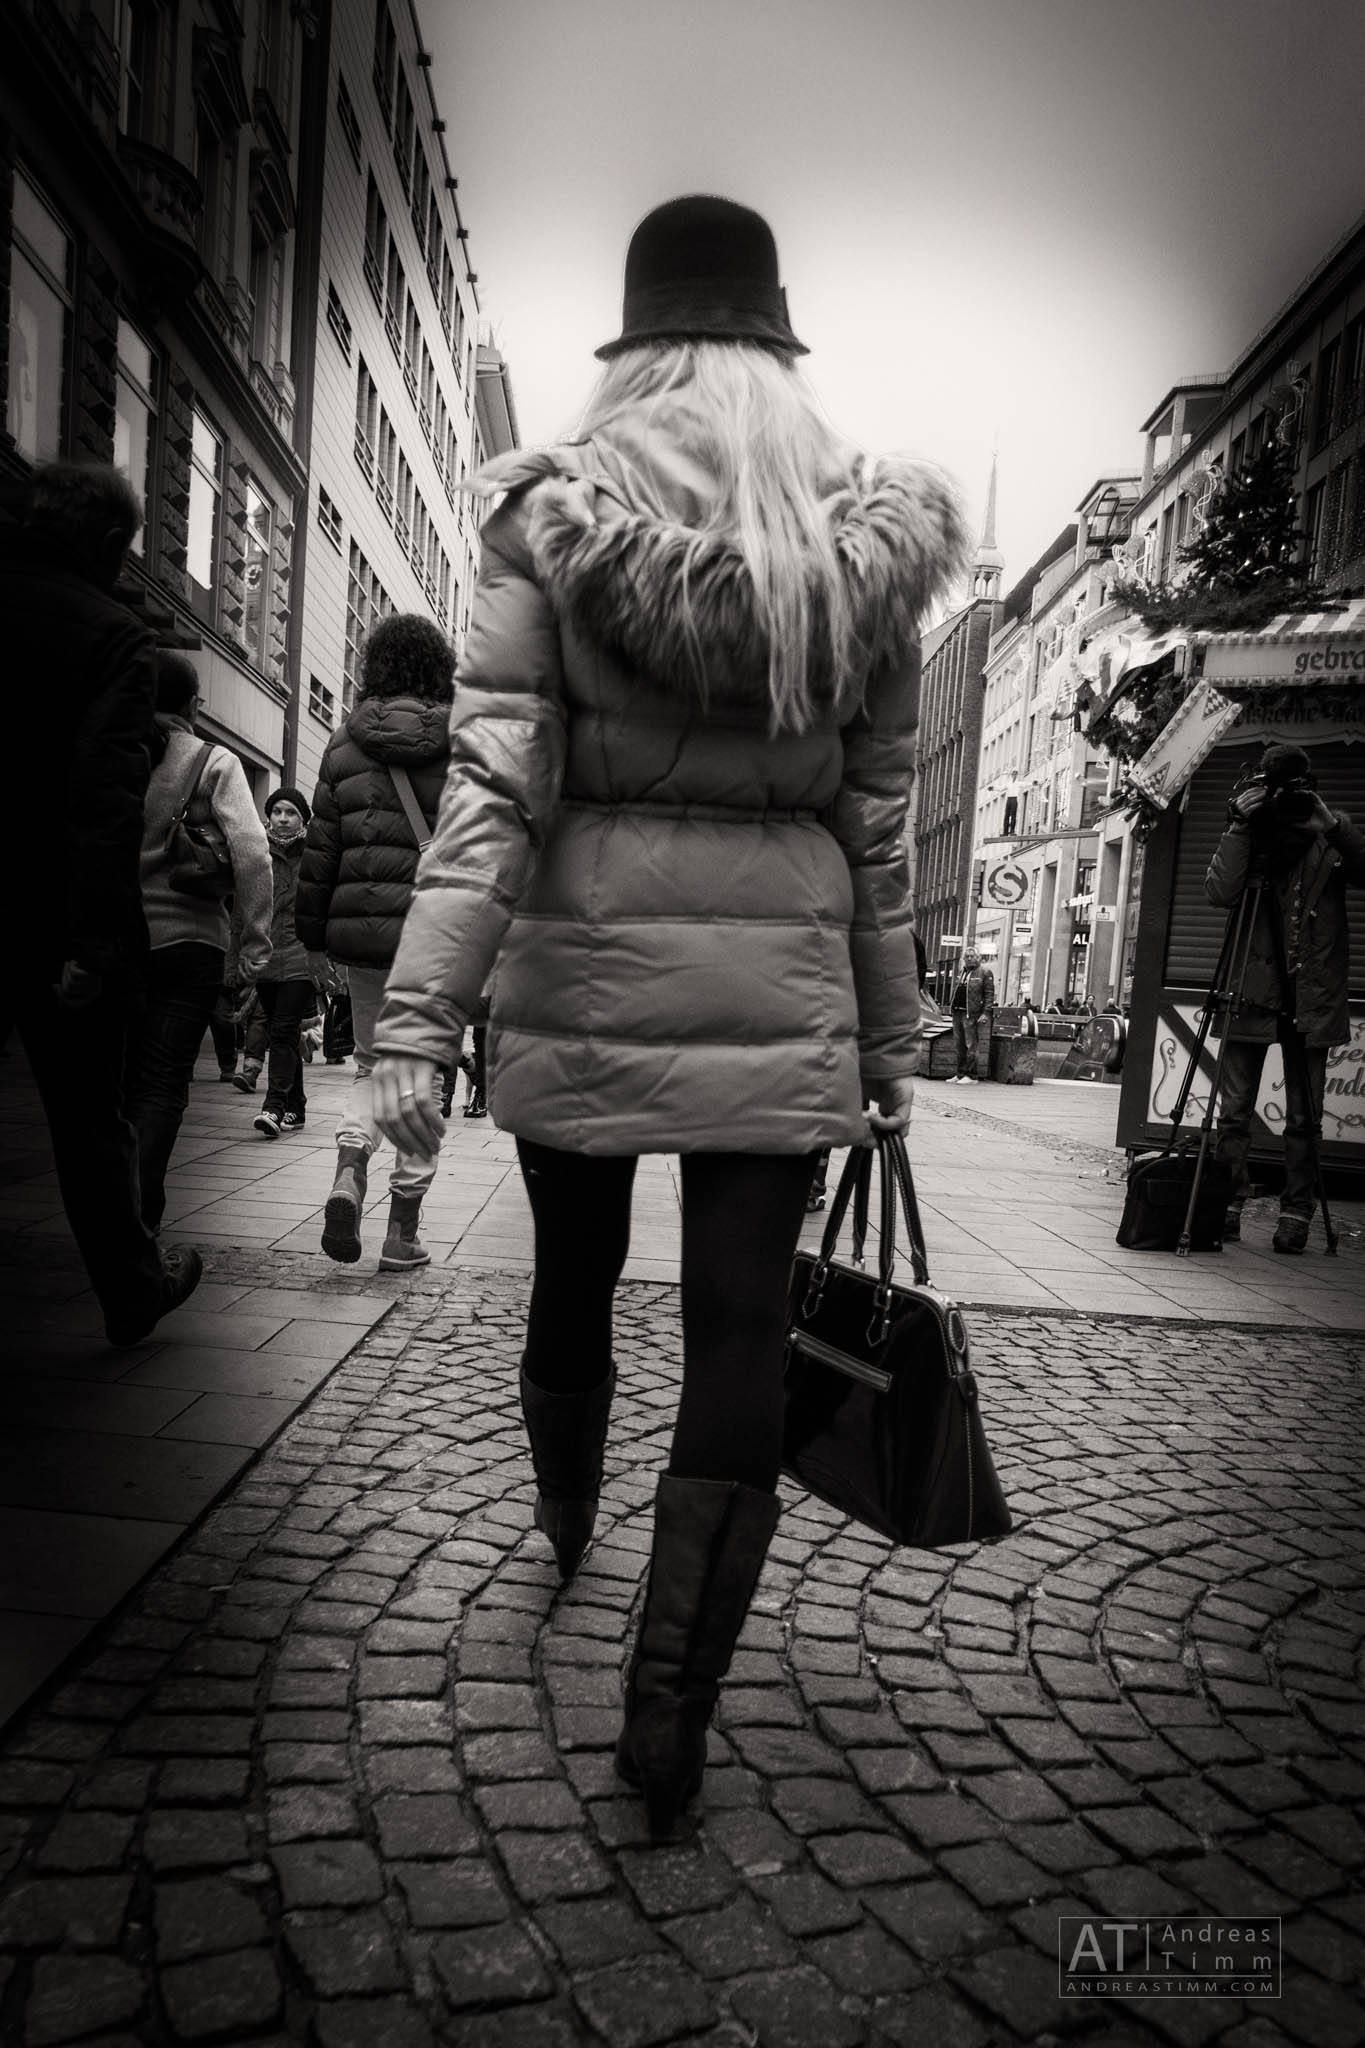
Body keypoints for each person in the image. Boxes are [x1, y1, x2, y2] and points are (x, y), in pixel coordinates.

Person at [368, 195, 965, 1839]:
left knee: (568, 1278)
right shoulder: (868, 541)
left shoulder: (550, 518)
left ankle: (568, 1517)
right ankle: (668, 1718)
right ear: (781, 342)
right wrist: (894, 1038)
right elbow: (881, 829)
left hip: (582, 974)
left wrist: (420, 1020)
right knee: (736, 1333)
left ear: (629, 345)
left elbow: (493, 787)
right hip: (780, 988)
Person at [0, 462, 202, 1342]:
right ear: (114, 547)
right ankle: (130, 1287)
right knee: (89, 1117)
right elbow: (104, 799)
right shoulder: (115, 639)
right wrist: (93, 941)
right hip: (48, 914)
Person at [295, 614, 454, 1266]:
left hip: (361, 936)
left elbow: (318, 852)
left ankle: (349, 1170)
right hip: (437, 938)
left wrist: (311, 943)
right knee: (424, 1078)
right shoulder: (459, 744)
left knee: (370, 1065)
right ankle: (403, 1232)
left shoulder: (342, 744)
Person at [124, 655, 272, 1229]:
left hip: (120, 938)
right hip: (192, 945)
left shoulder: (113, 751)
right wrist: (254, 943)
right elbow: (252, 853)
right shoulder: (213, 761)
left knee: (123, 1077)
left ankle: (116, 1213)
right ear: (193, 706)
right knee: (163, 1081)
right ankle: (143, 1214)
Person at [1206, 743, 1365, 1251]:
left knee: (1305, 1117)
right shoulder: (1251, 832)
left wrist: (1333, 826)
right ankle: (1227, 1202)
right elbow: (1220, 892)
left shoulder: (1328, 834)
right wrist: (1237, 825)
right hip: (1251, 988)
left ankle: (1296, 1213)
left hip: (1311, 992)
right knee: (1233, 1111)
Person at [252, 788, 316, 1139]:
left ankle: (273, 1106)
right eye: (277, 811)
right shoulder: (257, 850)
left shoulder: (314, 855)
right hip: (266, 954)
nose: (282, 818)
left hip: (301, 955)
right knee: (286, 1032)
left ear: (303, 818)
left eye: (290, 812)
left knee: (281, 1029)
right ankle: (297, 1105)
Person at [948, 947, 995, 1081]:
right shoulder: (962, 972)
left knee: (971, 1044)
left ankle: (971, 1075)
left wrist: (986, 1012)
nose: (969, 959)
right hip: (958, 1011)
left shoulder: (984, 972)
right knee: (959, 1045)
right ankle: (960, 1073)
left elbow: (989, 994)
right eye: (966, 956)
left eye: (972, 956)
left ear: (978, 958)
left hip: (971, 1013)